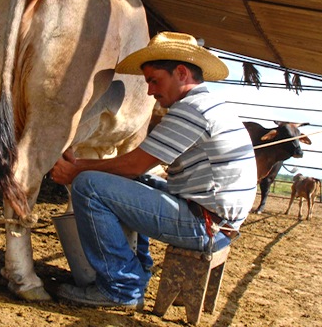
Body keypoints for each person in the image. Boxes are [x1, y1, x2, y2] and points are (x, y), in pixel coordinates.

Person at [50, 32, 257, 309]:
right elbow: (135, 169)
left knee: (89, 186)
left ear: (181, 73)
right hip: (215, 221)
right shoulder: (211, 105)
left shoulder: (192, 109)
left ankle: (121, 289)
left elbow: (134, 163)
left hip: (205, 225)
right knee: (133, 180)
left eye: (154, 80)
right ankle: (137, 273)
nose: (149, 91)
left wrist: (76, 169)